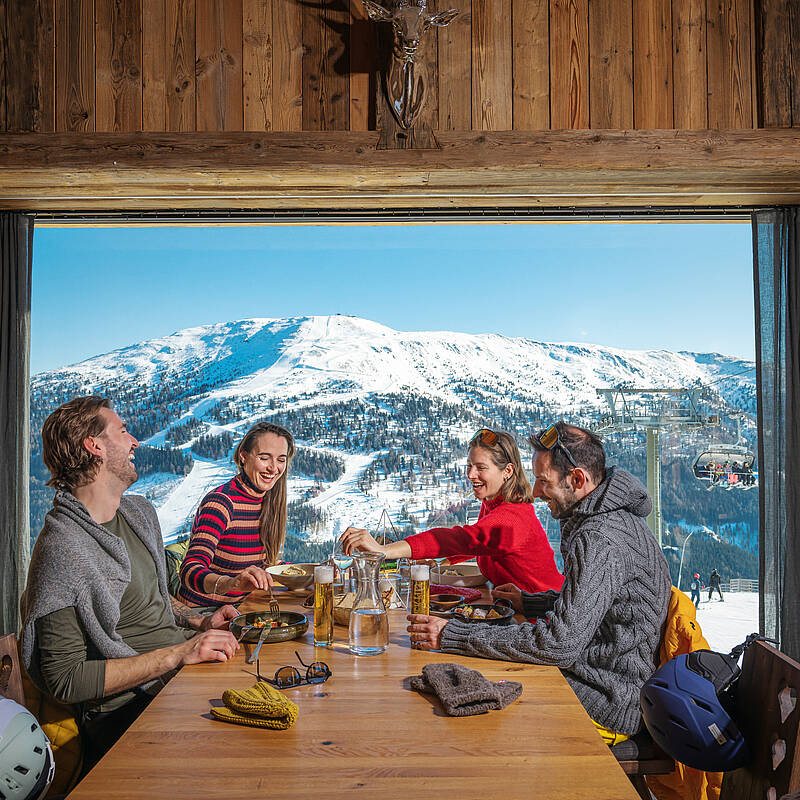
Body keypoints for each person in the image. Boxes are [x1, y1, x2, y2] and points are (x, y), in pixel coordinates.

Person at [407, 422, 671, 745]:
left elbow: (557, 644)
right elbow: (594, 603)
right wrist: (529, 602)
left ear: (577, 479)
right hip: (602, 678)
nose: (533, 492)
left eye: (543, 481)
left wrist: (452, 633)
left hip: (606, 700)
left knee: (476, 723)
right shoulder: (612, 516)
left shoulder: (599, 538)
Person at [20, 397, 241, 769]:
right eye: (123, 431)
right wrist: (177, 654)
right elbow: (65, 678)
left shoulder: (138, 513)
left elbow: (154, 597)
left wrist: (197, 621)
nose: (135, 440)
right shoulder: (64, 549)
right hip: (131, 710)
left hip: (181, 679)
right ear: (96, 446)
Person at [339, 429, 563, 595]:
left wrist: (383, 550)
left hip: (540, 618)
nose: (471, 474)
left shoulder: (511, 519)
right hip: (516, 609)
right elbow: (481, 541)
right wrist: (442, 563)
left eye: (481, 468)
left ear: (507, 471)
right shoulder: (495, 502)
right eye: (469, 465)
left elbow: (460, 539)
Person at [178, 421, 294, 607]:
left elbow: (263, 562)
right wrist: (231, 583)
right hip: (204, 613)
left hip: (244, 607)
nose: (274, 468)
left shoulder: (268, 501)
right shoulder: (222, 503)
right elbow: (189, 571)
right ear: (244, 457)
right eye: (265, 458)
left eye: (281, 460)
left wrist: (314, 571)